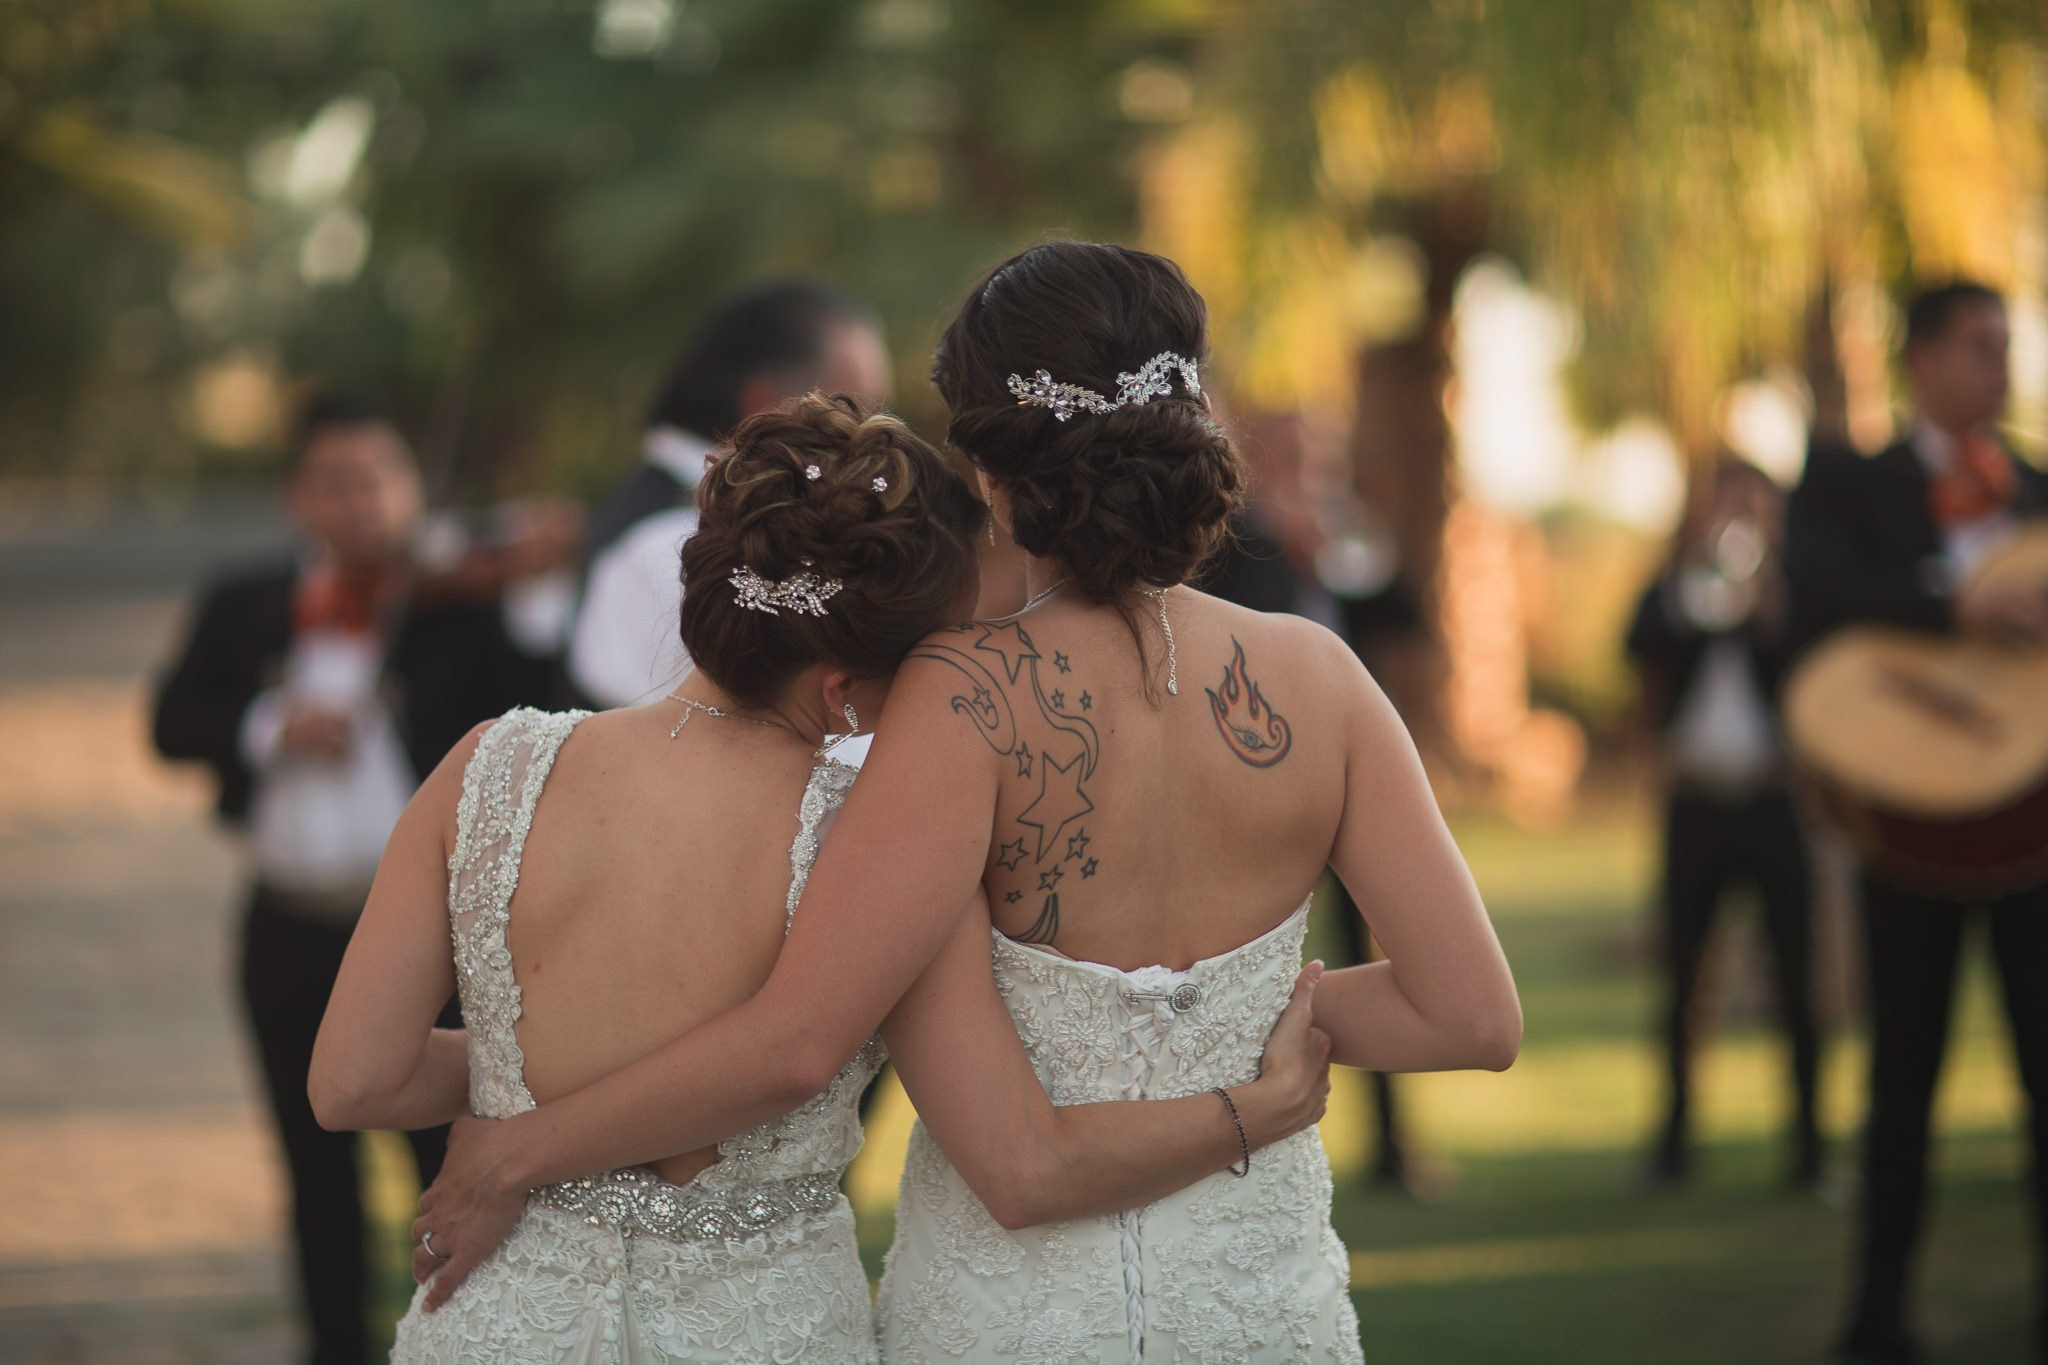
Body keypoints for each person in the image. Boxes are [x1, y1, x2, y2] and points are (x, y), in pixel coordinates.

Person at [407, 243, 1521, 1362]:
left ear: (988, 466)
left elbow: (802, 1038)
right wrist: (1245, 1029)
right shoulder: (1322, 679)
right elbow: (1468, 1016)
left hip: (1012, 1321)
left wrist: (512, 1151)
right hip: (1263, 1312)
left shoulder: (959, 694)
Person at [309, 393, 1335, 1361]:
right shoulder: (881, 843)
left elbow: (356, 1082)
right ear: (843, 684)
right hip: (761, 1331)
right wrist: (1251, 1108)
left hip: (501, 1315)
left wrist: (523, 1068)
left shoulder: (488, 765)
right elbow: (1008, 1146)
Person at [150, 392, 551, 1365]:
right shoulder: (247, 599)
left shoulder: (459, 603)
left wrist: (535, 585)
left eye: (379, 480)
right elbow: (170, 722)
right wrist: (265, 725)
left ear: (412, 488)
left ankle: (460, 1344)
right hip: (285, 924)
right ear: (298, 498)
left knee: (445, 1159)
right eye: (337, 483)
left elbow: (548, 699)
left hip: (434, 939)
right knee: (311, 1167)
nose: (362, 504)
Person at [1784, 281, 2048, 1365]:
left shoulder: (2035, 487)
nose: (2000, 367)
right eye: (1980, 347)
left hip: (2033, 827)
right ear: (1922, 361)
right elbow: (1815, 596)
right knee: (1901, 1077)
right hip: (1908, 830)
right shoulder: (1846, 482)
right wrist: (1952, 604)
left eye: (2006, 348)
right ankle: (1876, 1317)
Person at [1627, 456, 1820, 1189]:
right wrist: (1690, 584)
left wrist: (1769, 608)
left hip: (1774, 803)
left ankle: (1807, 1148)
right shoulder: (1674, 587)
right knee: (1682, 976)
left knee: (1795, 979)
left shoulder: (1794, 593)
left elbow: (1813, 676)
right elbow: (1637, 647)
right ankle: (1674, 1142)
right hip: (1696, 805)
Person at [567, 279, 893, 709]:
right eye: (853, 415)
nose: (876, 454)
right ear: (768, 405)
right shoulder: (670, 548)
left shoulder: (681, 530)